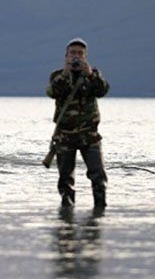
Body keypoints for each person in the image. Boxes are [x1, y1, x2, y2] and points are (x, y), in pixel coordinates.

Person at [46, 38, 110, 208]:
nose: (76, 57)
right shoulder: (58, 75)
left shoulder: (93, 75)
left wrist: (90, 74)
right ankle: (66, 214)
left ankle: (100, 210)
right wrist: (66, 74)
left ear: (85, 57)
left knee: (98, 175)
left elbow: (102, 90)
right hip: (65, 136)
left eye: (80, 54)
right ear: (66, 56)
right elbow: (52, 92)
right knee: (65, 178)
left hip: (90, 136)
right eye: (73, 53)